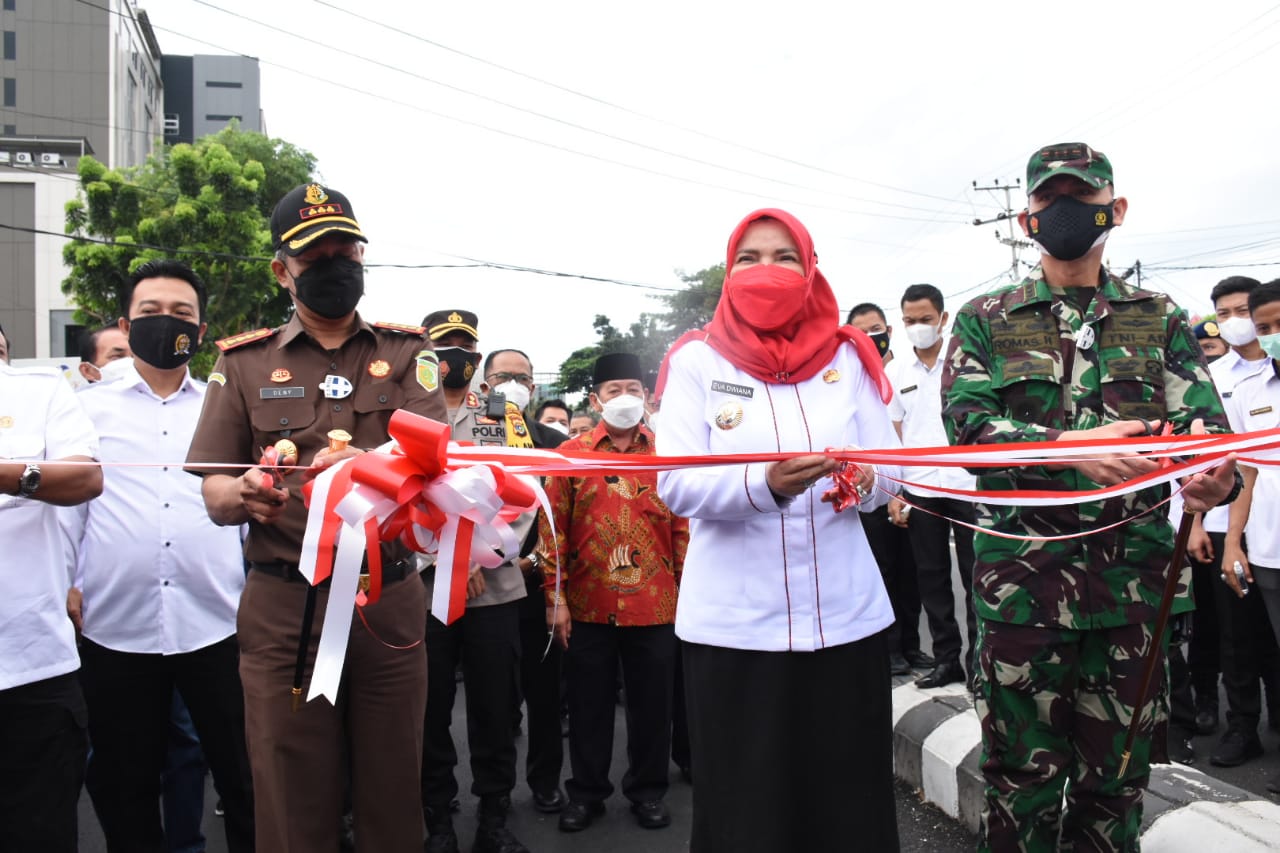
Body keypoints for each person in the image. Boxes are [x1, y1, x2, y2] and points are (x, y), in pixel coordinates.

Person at [942, 142, 1238, 851]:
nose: (1067, 212)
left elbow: (1210, 436)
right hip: (1022, 594)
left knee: (1118, 782)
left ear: (1115, 209)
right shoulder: (988, 316)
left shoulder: (1157, 317)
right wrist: (1071, 449)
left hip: (1132, 593)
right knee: (1020, 780)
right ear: (1027, 218)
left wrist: (1211, 478)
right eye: (1051, 202)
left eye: (1081, 197)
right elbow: (968, 428)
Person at [186, 183, 443, 852]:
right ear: (283, 269)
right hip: (283, 605)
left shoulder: (411, 353)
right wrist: (242, 492)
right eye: (314, 253)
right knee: (292, 797)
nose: (334, 263)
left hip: (385, 599)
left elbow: (439, 469)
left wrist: (365, 467)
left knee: (393, 790)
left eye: (344, 249)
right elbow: (212, 489)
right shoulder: (243, 363)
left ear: (361, 254)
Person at [657, 208, 901, 852]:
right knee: (748, 811)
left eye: (785, 257)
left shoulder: (850, 357)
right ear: (729, 270)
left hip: (846, 622)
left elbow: (893, 474)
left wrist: (862, 481)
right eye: (750, 257)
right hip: (735, 632)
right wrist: (766, 485)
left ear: (811, 267)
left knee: (849, 806)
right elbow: (675, 485)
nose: (767, 271)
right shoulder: (694, 362)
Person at [71, 260, 254, 852]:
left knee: (244, 777)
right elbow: (68, 508)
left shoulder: (226, 407)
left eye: (182, 314)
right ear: (126, 325)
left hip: (218, 622)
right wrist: (69, 583)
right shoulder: (86, 408)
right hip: (114, 627)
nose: (166, 323)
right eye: (151, 313)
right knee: (124, 784)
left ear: (201, 332)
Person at [418, 309, 558, 853]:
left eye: (463, 345)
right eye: (443, 344)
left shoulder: (502, 412)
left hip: (494, 585)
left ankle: (495, 819)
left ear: (476, 355)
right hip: (426, 585)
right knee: (429, 707)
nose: (455, 353)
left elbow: (522, 492)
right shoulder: (408, 407)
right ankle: (437, 818)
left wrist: (478, 554)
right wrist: (443, 559)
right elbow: (396, 491)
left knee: (496, 708)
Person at [537, 352, 688, 834]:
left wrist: (688, 592)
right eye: (613, 390)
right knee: (587, 705)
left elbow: (686, 529)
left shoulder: (671, 453)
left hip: (658, 603)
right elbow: (551, 529)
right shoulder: (570, 455)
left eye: (633, 389)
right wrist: (553, 598)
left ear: (647, 395)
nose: (624, 398)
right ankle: (586, 793)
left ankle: (647, 792)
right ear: (595, 398)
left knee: (652, 707)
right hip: (586, 604)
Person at [0, 358, 103, 851]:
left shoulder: (36, 392)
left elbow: (85, 479)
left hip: (28, 670)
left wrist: (8, 474)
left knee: (38, 833)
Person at [1189, 276, 1280, 767]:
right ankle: (1242, 724)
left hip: (1265, 526)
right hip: (1236, 527)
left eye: (1245, 311)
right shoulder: (1219, 378)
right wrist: (1203, 523)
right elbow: (1214, 461)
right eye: (1224, 314)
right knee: (1236, 635)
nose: (1239, 323)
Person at [887, 283, 977, 690]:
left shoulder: (967, 362)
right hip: (921, 488)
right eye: (910, 321)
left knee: (978, 578)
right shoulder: (896, 371)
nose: (918, 327)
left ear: (943, 318)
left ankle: (980, 662)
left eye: (925, 319)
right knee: (932, 578)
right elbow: (895, 431)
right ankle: (946, 660)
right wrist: (896, 491)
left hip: (969, 484)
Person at [1220, 277, 1280, 793]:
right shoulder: (1248, 391)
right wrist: (1233, 541)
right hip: (1269, 549)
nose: (1273, 335)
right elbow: (1248, 473)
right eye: (1267, 328)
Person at [848, 302, 929, 676]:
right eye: (861, 332)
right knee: (883, 572)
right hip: (868, 491)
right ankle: (890, 650)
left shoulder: (902, 373)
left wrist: (907, 488)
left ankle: (912, 646)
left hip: (909, 488)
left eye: (876, 330)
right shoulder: (849, 377)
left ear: (889, 331)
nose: (871, 339)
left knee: (912, 573)